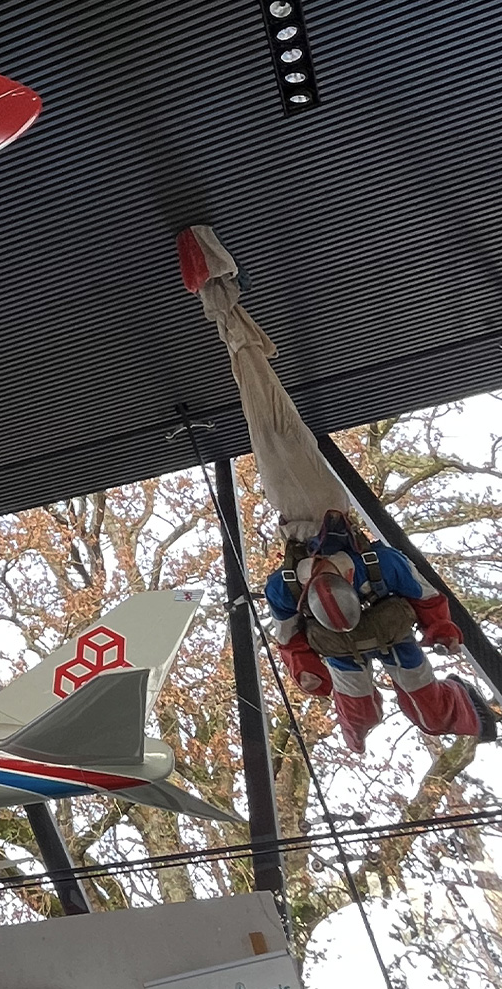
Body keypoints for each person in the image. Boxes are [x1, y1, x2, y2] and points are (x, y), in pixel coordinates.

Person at [180, 225, 496, 752]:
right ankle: (422, 721)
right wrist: (438, 628)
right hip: (319, 524)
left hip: (310, 526)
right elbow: (422, 596)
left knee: (271, 421)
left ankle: (413, 722)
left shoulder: (295, 582)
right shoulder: (369, 565)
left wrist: (308, 670)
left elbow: (289, 634)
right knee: (272, 420)